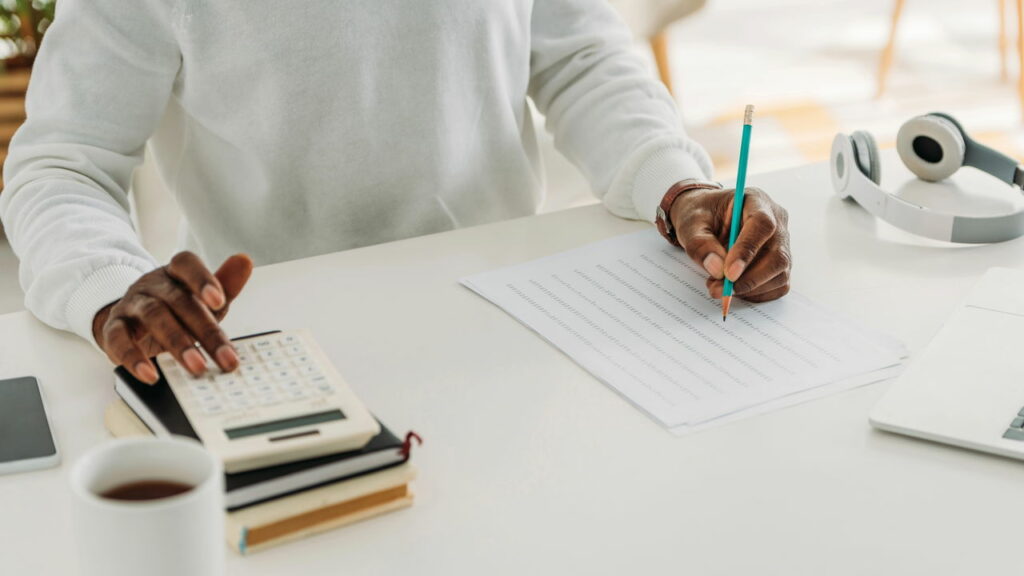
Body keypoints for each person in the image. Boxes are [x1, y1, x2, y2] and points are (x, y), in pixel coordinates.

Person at [0, 1, 791, 385]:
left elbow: (577, 58)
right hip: (265, 348)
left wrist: (674, 183)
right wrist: (109, 288)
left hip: (509, 324)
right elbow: (65, 162)